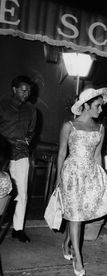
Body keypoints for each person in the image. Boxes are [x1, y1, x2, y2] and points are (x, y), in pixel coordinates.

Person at [56, 87, 107, 276]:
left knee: (79, 214)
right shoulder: (69, 125)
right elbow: (62, 153)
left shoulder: (100, 128)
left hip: (90, 173)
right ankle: (78, 257)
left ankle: (66, 242)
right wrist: (58, 180)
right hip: (72, 173)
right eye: (98, 106)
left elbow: (98, 155)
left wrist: (102, 177)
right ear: (86, 105)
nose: (101, 110)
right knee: (75, 215)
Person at [0, 76, 37, 242]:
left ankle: (18, 229)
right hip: (1, 154)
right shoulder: (2, 105)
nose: (26, 93)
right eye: (23, 89)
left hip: (21, 155)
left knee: (22, 193)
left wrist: (27, 140)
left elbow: (31, 131)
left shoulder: (32, 110)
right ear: (14, 89)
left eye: (28, 90)